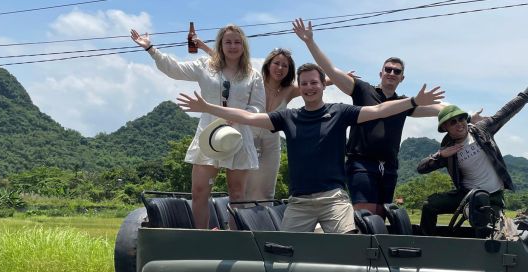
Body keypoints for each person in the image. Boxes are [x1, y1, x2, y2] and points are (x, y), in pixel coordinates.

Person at [177, 63, 444, 233]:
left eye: (314, 82)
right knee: (284, 254)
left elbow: (378, 109)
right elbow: (247, 117)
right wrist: (208, 107)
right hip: (299, 202)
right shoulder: (288, 117)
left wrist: (412, 101)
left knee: (351, 247)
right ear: (300, 88)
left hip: (333, 199)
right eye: (304, 83)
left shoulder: (340, 112)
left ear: (322, 85)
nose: (309, 87)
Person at [291, 18, 453, 218]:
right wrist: (309, 42)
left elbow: (440, 109)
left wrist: (468, 116)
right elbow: (331, 70)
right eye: (388, 69)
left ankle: (375, 249)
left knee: (382, 215)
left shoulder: (405, 103)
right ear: (381, 73)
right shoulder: (362, 90)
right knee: (366, 216)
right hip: (361, 163)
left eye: (397, 71)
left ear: (402, 78)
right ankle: (357, 248)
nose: (391, 73)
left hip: (390, 166)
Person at [130, 24, 264, 228]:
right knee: (199, 191)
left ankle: (235, 239)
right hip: (208, 135)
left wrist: (239, 117)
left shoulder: (252, 75)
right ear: (220, 44)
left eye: (237, 42)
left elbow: (258, 107)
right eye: (228, 42)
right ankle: (202, 237)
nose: (233, 46)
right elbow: (174, 69)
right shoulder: (206, 65)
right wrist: (150, 49)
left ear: (243, 46)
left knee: (237, 194)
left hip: (238, 136)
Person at [416, 67, 528, 236]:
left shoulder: (481, 131)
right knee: (429, 204)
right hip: (466, 195)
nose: (459, 124)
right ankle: (427, 244)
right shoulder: (448, 148)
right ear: (446, 128)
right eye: (453, 122)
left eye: (461, 119)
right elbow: (421, 168)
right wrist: (440, 155)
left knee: (484, 229)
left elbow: (506, 112)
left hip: (491, 197)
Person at [245, 48, 300, 201]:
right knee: (243, 186)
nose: (280, 68)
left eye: (285, 66)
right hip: (248, 139)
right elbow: (232, 63)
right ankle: (236, 223)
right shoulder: (254, 80)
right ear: (268, 64)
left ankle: (263, 223)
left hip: (271, 144)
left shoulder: (289, 90)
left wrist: (340, 78)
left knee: (266, 189)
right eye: (277, 63)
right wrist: (202, 46)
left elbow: (314, 83)